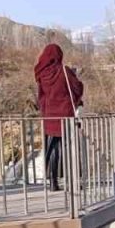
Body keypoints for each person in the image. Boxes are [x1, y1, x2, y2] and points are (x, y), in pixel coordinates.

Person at [34, 43, 83, 191]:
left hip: (49, 116)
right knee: (69, 148)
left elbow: (41, 97)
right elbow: (77, 88)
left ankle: (53, 182)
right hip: (65, 115)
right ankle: (72, 181)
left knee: (53, 149)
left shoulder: (41, 74)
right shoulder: (64, 71)